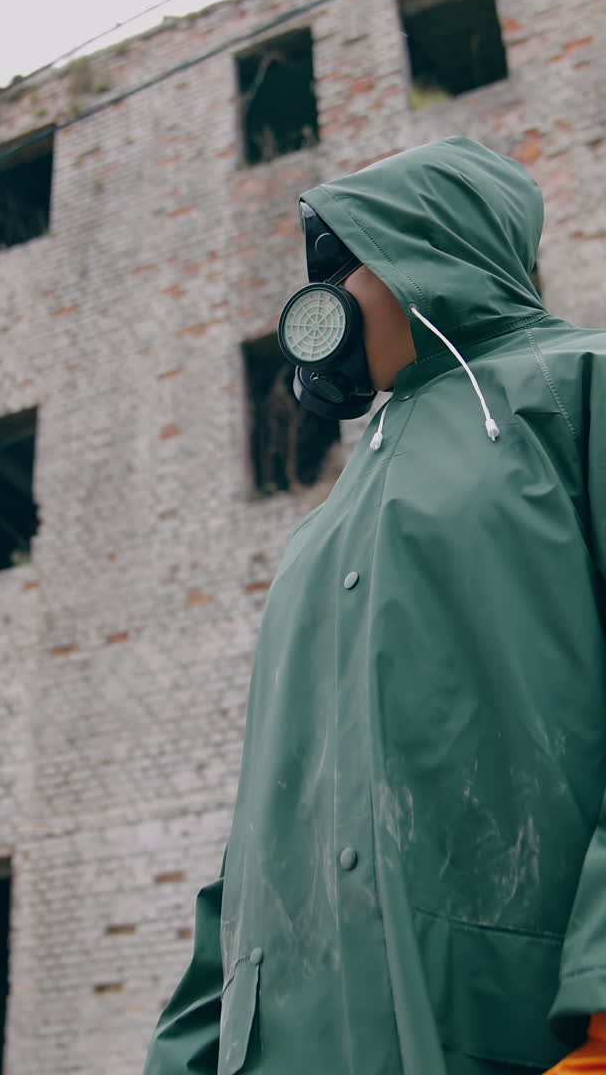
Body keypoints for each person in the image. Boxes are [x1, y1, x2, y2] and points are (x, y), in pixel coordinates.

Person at [143, 136, 606, 1075]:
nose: (331, 294)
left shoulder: (580, 389)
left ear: (423, 249)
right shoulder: (321, 533)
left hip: (501, 1030)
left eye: (350, 261)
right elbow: (256, 846)